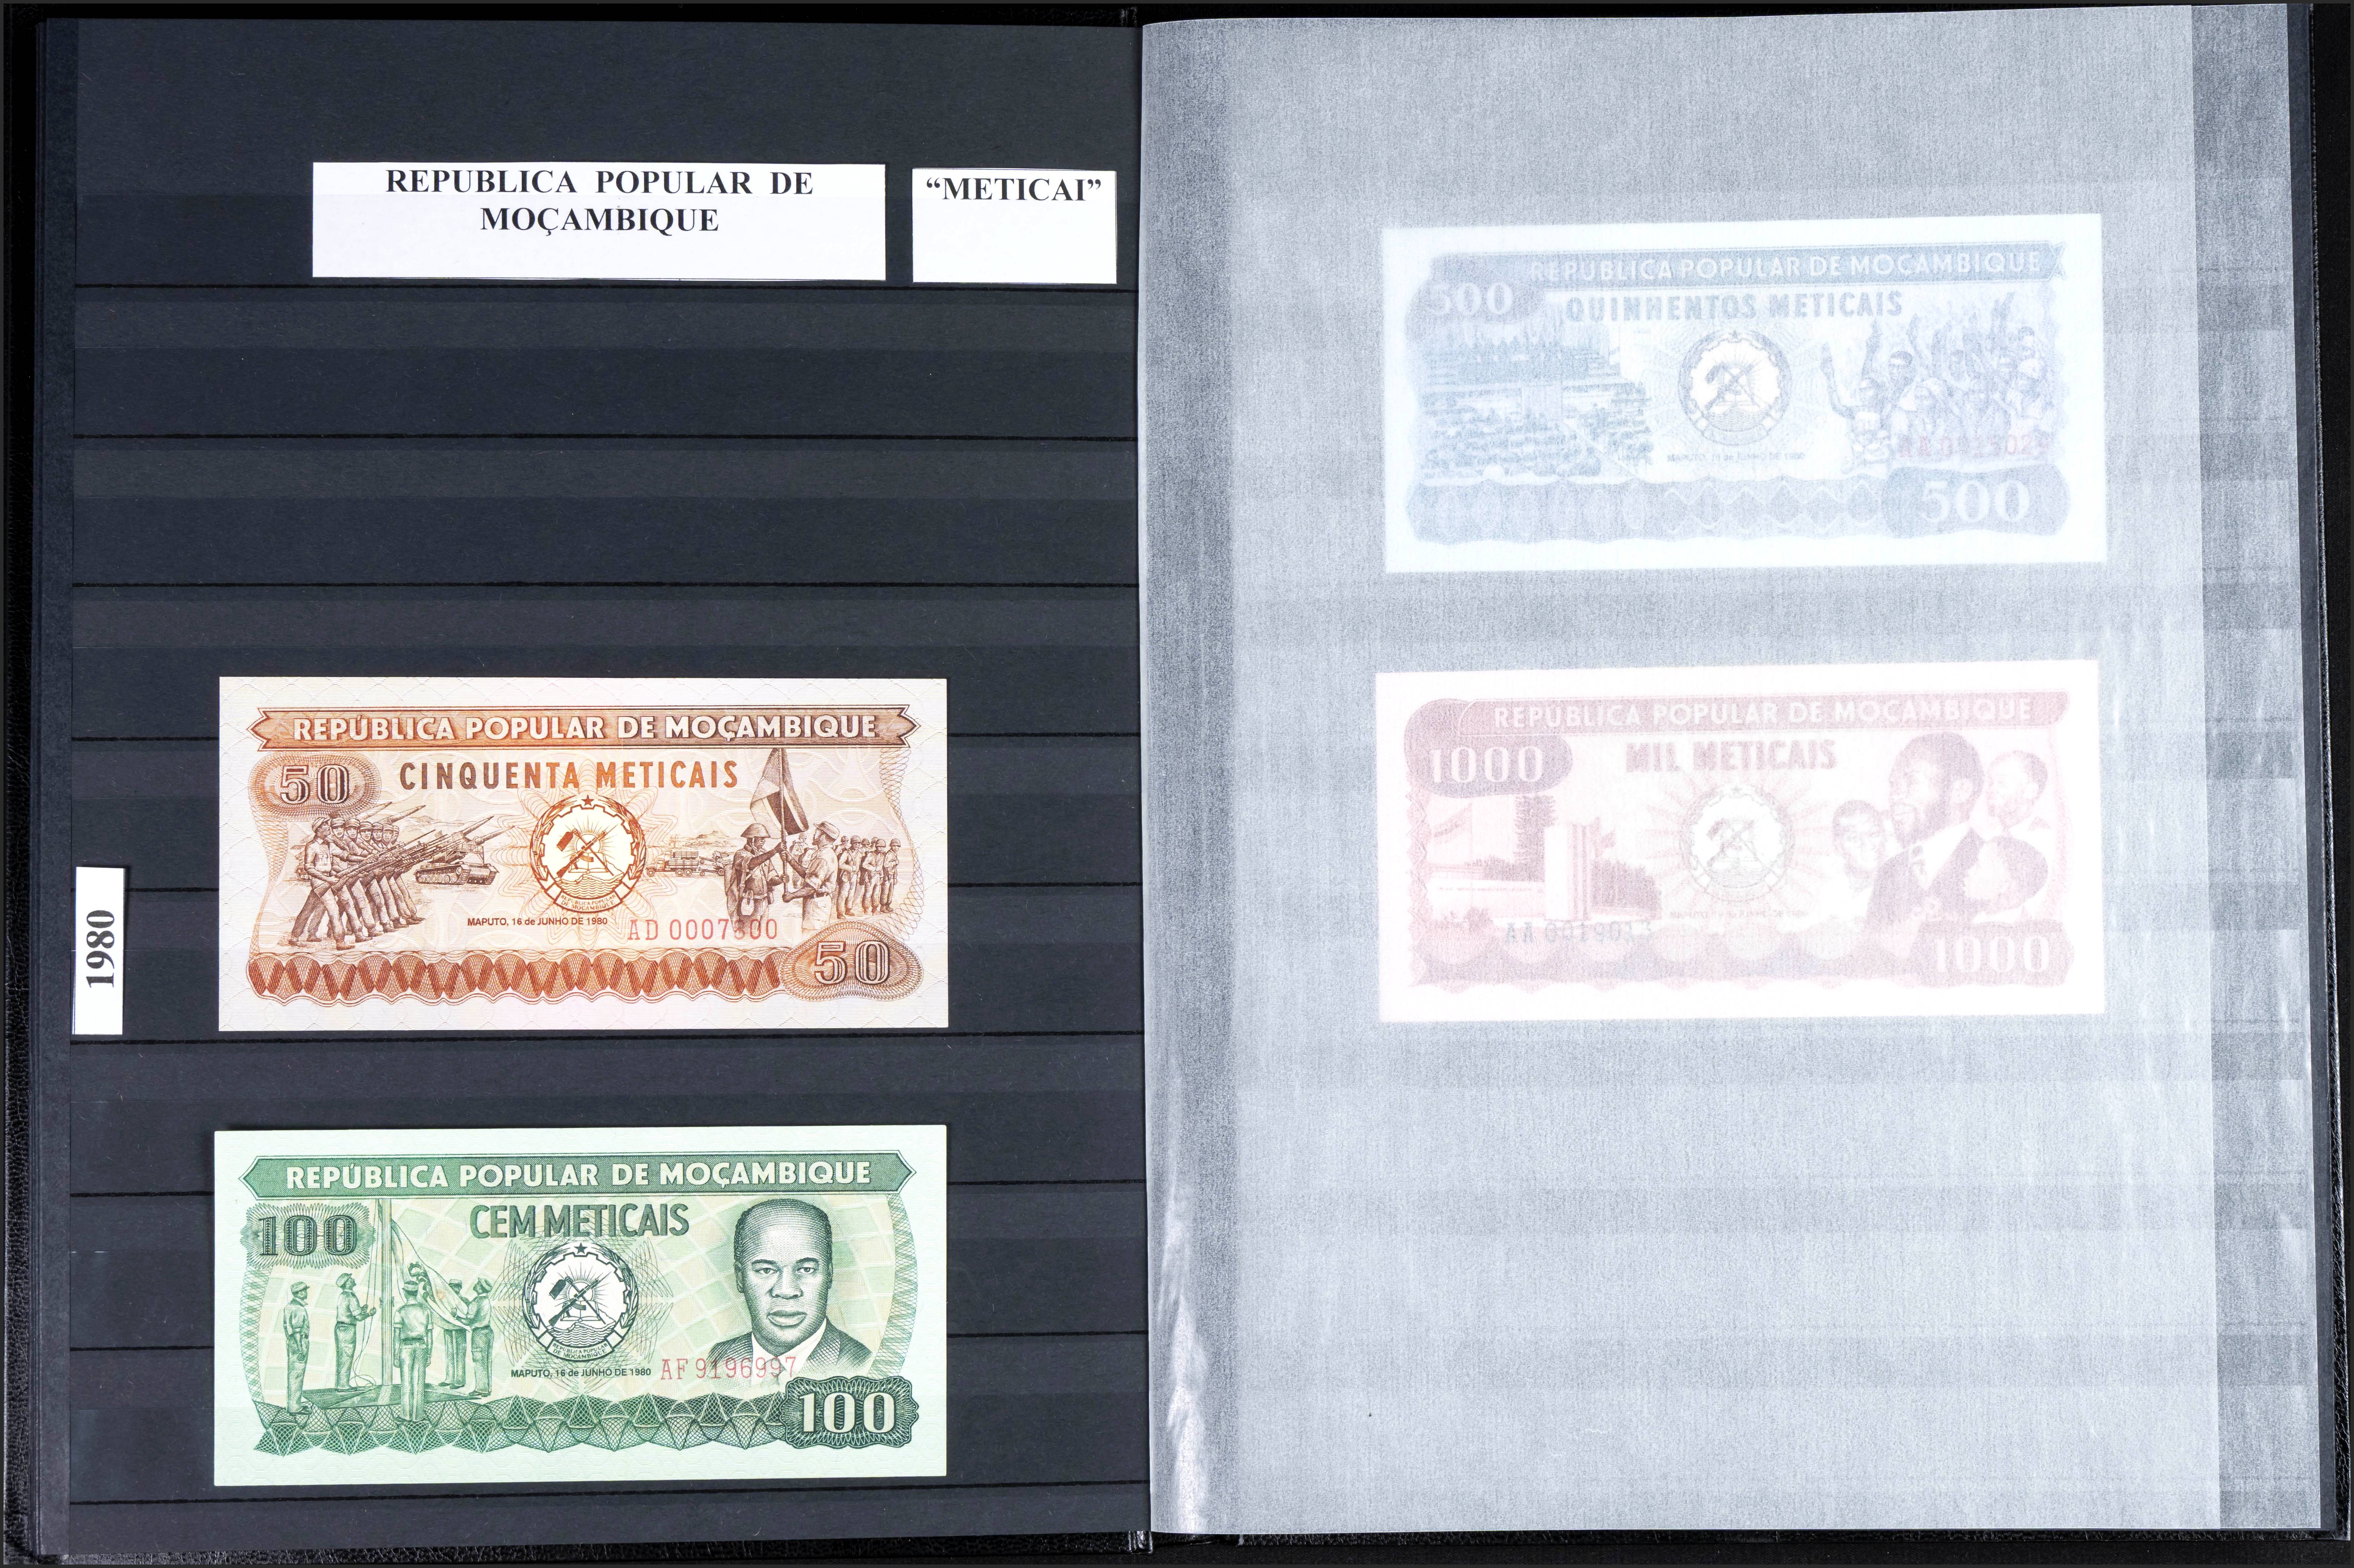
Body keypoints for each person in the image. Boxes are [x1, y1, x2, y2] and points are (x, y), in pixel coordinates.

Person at [705, 1198, 871, 1378]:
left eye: (806, 1270)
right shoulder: (718, 1359)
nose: (786, 1291)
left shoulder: (863, 1365)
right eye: (766, 1270)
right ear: (740, 1278)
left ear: (829, 1275)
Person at [1866, 732, 1985, 931]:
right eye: (1894, 785)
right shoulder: (1889, 873)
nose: (1895, 797)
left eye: (1912, 782)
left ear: (1960, 791)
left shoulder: (1993, 866)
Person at [1825, 800, 1888, 922]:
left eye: (1874, 834)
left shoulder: (1901, 887)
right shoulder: (1830, 891)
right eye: (1854, 839)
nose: (1868, 845)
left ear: (1885, 836)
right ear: (1839, 847)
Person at [1960, 834, 2049, 920]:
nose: (1969, 871)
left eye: (1979, 866)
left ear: (2005, 886)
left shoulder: (2009, 927)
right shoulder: (1982, 918)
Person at [724, 823, 785, 935]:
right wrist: (774, 851)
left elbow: (771, 877)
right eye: (761, 839)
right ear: (752, 839)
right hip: (748, 901)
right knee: (749, 933)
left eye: (764, 839)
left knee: (762, 932)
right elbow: (750, 864)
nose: (763, 841)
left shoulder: (764, 854)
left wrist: (781, 880)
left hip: (765, 900)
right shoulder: (741, 854)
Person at [395, 1277, 433, 1422]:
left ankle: (406, 1415)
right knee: (419, 1382)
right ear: (417, 1293)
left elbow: (397, 1337)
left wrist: (395, 1356)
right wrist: (429, 1354)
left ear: (405, 1293)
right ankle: (418, 1416)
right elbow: (430, 1335)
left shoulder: (400, 1311)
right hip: (422, 1347)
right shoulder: (426, 1311)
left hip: (406, 1347)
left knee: (406, 1383)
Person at [333, 1272, 374, 1388]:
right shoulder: (352, 1297)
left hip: (341, 1328)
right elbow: (359, 1318)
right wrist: (370, 1314)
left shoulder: (343, 1295)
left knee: (342, 1356)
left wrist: (361, 1309)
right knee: (347, 1356)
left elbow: (349, 1312)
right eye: (350, 1279)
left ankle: (341, 1384)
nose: (353, 1279)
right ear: (347, 1283)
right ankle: (343, 1386)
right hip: (348, 1329)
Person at [281, 1282, 312, 1411]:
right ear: (300, 1293)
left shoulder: (289, 1307)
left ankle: (293, 1405)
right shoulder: (299, 1309)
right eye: (305, 1291)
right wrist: (300, 1350)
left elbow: (286, 1327)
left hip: (292, 1341)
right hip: (300, 1342)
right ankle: (295, 1408)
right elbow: (298, 1330)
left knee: (294, 1374)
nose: (306, 1293)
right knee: (297, 1375)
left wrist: (291, 1340)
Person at [466, 1280, 496, 1397]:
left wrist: (456, 1316)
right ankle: (488, 1389)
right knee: (487, 1361)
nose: (476, 1285)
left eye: (478, 1284)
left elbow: (468, 1320)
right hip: (489, 1332)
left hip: (479, 1334)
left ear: (480, 1288)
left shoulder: (476, 1302)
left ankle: (481, 1389)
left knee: (479, 1360)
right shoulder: (486, 1301)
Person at [440, 1280, 470, 1387]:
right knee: (450, 1353)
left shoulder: (465, 1301)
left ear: (460, 1288)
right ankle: (450, 1379)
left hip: (460, 1329)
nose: (454, 1289)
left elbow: (468, 1316)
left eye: (456, 1287)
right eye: (452, 1287)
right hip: (448, 1328)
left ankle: (460, 1381)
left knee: (460, 1354)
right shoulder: (445, 1300)